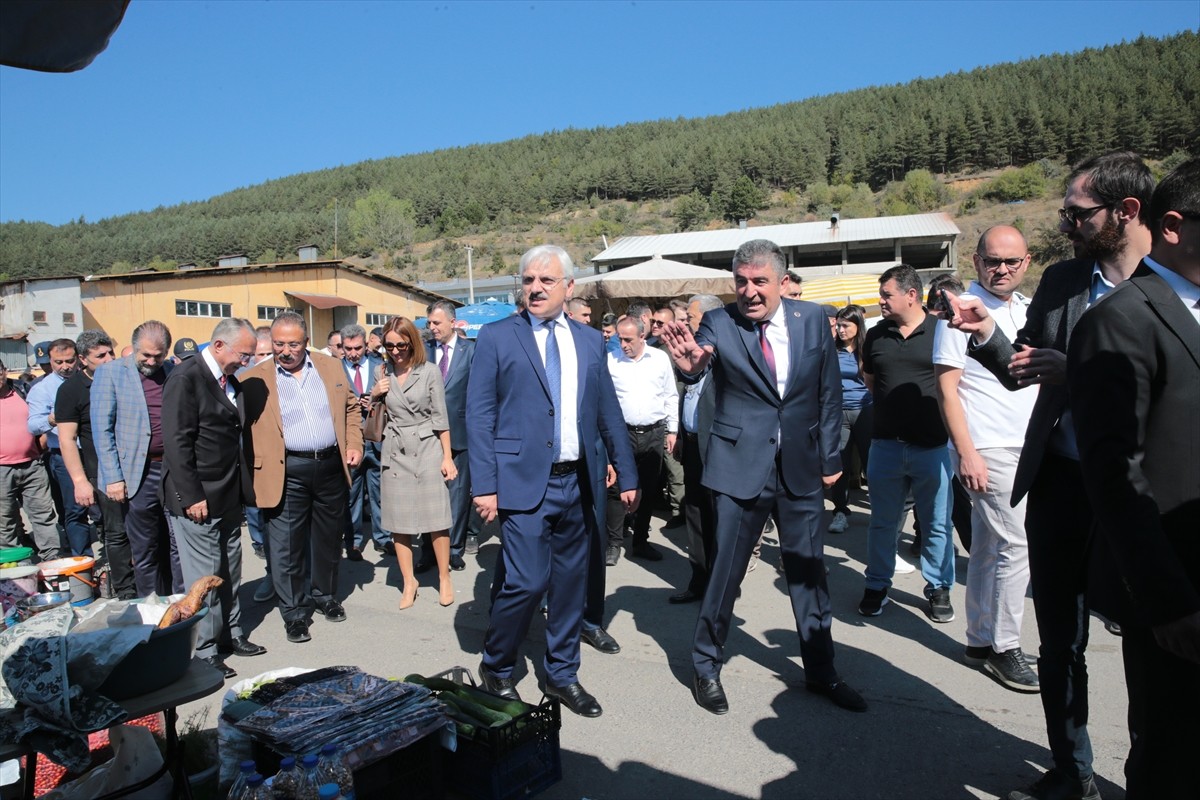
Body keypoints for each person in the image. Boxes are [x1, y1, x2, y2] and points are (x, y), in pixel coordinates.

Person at [949, 151, 1154, 800]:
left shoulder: (1172, 287)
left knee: (1151, 645)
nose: (1063, 223)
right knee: (1060, 639)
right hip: (1063, 482)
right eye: (1063, 211)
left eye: (1077, 212)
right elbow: (1026, 370)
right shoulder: (1066, 282)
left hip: (1143, 490)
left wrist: (1080, 372)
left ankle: (1152, 776)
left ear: (1127, 212)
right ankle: (1073, 770)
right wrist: (987, 337)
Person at [660, 238, 866, 715]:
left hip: (801, 466)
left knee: (809, 573)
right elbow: (699, 361)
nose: (749, 291)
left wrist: (831, 457)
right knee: (725, 575)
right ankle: (706, 666)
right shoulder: (718, 321)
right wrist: (691, 371)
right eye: (741, 282)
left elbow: (829, 393)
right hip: (738, 466)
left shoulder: (813, 319)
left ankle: (821, 670)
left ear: (781, 281)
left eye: (759, 281)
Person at [1067, 159, 1199, 800]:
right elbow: (1118, 473)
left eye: (1078, 212)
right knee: (1174, 752)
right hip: (1179, 583)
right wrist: (1165, 600)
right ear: (1173, 226)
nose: (1069, 223)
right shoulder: (1118, 318)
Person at [467, 244, 638, 718]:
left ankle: (562, 673)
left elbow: (607, 410)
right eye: (528, 280)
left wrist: (626, 470)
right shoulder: (498, 337)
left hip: (577, 482)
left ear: (569, 287)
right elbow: (478, 414)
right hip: (522, 483)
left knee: (569, 586)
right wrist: (484, 485)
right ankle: (497, 666)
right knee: (526, 581)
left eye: (546, 280)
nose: (536, 288)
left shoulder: (588, 340)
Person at [934, 227, 1040, 693]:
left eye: (1011, 262)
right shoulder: (958, 312)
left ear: (1027, 262)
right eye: (993, 261)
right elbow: (947, 389)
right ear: (975, 262)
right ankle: (1005, 646)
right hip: (990, 449)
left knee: (990, 548)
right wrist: (968, 451)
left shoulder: (1027, 309)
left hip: (1028, 445)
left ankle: (980, 639)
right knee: (1016, 546)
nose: (1002, 270)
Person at [241, 311, 363, 644]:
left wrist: (354, 443)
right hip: (286, 470)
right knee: (287, 546)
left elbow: (351, 408)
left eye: (293, 344)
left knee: (327, 538)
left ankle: (324, 595)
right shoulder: (253, 378)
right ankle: (294, 612)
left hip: (328, 466)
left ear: (306, 342)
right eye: (279, 343)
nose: (285, 350)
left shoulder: (330, 366)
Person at [161, 317, 265, 679]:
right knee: (205, 575)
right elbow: (176, 442)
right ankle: (204, 649)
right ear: (219, 346)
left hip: (227, 494)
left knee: (230, 569)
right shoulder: (185, 378)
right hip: (199, 497)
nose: (247, 362)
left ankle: (230, 634)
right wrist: (191, 495)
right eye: (244, 354)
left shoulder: (228, 379)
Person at [858, 264, 956, 623]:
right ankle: (877, 584)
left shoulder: (943, 331)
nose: (880, 301)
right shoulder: (876, 334)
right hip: (885, 447)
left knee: (936, 524)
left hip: (932, 447)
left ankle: (938, 586)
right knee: (883, 523)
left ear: (911, 295)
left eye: (887, 294)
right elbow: (870, 379)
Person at [371, 316, 458, 608]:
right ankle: (409, 581)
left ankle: (444, 577)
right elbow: (374, 416)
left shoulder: (429, 371)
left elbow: (440, 418)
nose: (396, 351)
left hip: (428, 446)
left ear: (413, 343)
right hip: (395, 449)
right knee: (399, 522)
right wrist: (373, 395)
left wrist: (447, 457)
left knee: (437, 519)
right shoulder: (380, 372)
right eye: (389, 345)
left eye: (402, 345)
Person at [92, 321, 183, 597]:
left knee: (177, 543)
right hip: (136, 472)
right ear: (134, 349)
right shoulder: (110, 374)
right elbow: (102, 429)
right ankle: (150, 608)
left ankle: (179, 603)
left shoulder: (173, 372)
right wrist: (114, 477)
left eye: (158, 355)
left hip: (170, 469)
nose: (151, 361)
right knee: (144, 547)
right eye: (145, 355)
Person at [54, 330, 136, 596]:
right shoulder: (71, 390)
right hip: (102, 473)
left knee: (143, 529)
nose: (109, 358)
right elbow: (67, 439)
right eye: (100, 355)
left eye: (111, 352)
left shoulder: (125, 379)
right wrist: (80, 482)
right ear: (82, 359)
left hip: (135, 467)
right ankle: (126, 591)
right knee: (116, 532)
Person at [605, 316, 677, 565]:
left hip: (653, 434)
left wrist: (672, 430)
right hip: (621, 435)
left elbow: (670, 394)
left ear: (642, 336)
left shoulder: (659, 360)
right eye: (619, 339)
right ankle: (613, 542)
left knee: (646, 490)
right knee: (616, 489)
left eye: (628, 339)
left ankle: (640, 542)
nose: (623, 344)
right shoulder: (611, 361)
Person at [667, 294, 721, 605]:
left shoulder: (724, 352)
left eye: (692, 316)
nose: (686, 321)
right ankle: (698, 580)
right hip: (692, 445)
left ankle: (720, 584)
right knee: (696, 517)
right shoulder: (687, 352)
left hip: (716, 449)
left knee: (717, 519)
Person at [26, 338, 89, 554]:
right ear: (50, 361)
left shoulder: (89, 380)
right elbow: (33, 425)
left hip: (91, 451)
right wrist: (53, 419)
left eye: (69, 361)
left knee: (104, 508)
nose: (64, 367)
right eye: (58, 362)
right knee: (75, 510)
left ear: (78, 358)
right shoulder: (42, 389)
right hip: (63, 456)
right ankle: (81, 560)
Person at [425, 301, 475, 570]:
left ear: (453, 322)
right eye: (429, 323)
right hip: (428, 436)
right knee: (428, 495)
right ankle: (428, 549)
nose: (432, 328)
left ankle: (454, 548)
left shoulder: (472, 351)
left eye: (437, 323)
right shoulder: (423, 352)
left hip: (461, 434)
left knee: (457, 495)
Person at [0, 358, 60, 561]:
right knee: (5, 521)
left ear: (5, 371)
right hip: (1, 470)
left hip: (33, 465)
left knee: (43, 516)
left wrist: (41, 442)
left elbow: (39, 416)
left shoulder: (22, 390)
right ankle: (16, 567)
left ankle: (51, 563)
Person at [340, 324, 387, 560]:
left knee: (380, 493)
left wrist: (376, 398)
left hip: (378, 438)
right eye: (347, 348)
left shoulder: (380, 367)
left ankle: (383, 538)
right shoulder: (336, 369)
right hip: (352, 442)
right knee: (352, 495)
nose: (353, 353)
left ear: (366, 344)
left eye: (357, 347)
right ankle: (354, 541)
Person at [828, 304, 872, 535]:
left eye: (846, 325)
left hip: (865, 411)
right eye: (838, 325)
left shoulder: (868, 349)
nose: (841, 330)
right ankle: (840, 512)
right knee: (841, 465)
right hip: (838, 413)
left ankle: (881, 512)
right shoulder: (831, 350)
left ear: (858, 326)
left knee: (871, 464)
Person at [240, 327, 275, 602]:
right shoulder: (242, 381)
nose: (264, 359)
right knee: (261, 524)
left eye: (268, 354)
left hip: (281, 465)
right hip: (253, 466)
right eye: (259, 354)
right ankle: (271, 574)